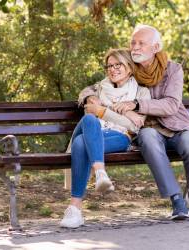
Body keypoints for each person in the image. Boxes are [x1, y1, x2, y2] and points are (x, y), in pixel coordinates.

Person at [111, 24, 189, 220]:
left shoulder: (173, 69)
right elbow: (101, 83)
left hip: (178, 125)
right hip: (149, 128)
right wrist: (88, 97)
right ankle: (177, 200)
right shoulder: (128, 66)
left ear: (155, 48)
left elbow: (171, 105)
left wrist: (137, 104)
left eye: (141, 43)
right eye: (133, 43)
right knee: (147, 137)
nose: (135, 47)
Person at [60, 48, 151, 228]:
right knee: (88, 119)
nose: (113, 69)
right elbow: (84, 93)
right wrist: (90, 97)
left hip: (120, 137)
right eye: (109, 65)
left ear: (130, 68)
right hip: (93, 130)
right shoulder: (100, 87)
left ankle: (75, 208)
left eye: (118, 65)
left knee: (80, 143)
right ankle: (100, 173)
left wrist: (103, 112)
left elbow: (134, 125)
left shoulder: (141, 93)